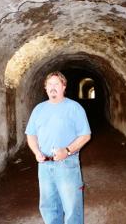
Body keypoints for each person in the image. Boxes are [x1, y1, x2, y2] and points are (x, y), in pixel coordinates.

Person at [25, 71, 91, 224]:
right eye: (49, 84)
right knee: (49, 206)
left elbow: (85, 135)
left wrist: (67, 151)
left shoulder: (74, 108)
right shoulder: (38, 109)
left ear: (63, 87)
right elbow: (31, 135)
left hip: (67, 164)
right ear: (45, 88)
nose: (52, 87)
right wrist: (36, 152)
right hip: (44, 165)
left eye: (56, 84)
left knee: (72, 208)